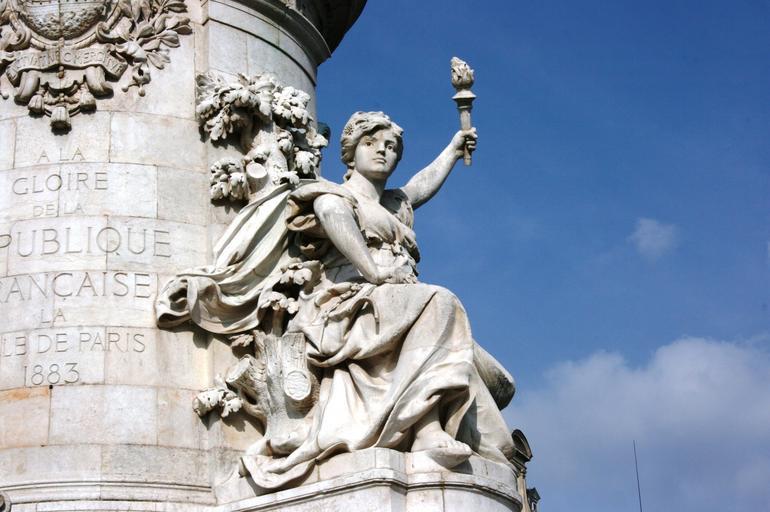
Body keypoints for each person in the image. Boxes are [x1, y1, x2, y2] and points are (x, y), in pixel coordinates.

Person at [157, 111, 516, 488]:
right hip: (348, 302)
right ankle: (426, 430)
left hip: (397, 300)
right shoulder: (332, 195)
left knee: (499, 383)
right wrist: (376, 273)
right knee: (440, 302)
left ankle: (440, 427)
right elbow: (332, 217)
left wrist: (453, 151)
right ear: (350, 153)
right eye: (371, 143)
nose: (382, 151)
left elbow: (419, 187)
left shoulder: (394, 205)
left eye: (391, 147)